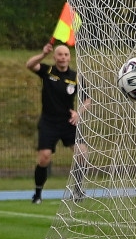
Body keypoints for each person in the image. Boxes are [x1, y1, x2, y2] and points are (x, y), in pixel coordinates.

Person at [25, 42, 89, 204]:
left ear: (69, 58)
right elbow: (29, 65)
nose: (63, 57)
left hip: (68, 122)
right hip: (49, 122)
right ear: (55, 57)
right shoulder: (47, 71)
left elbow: (88, 99)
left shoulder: (76, 77)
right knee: (44, 158)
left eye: (66, 55)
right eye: (60, 54)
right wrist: (42, 54)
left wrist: (78, 113)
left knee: (82, 154)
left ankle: (78, 190)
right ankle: (38, 193)